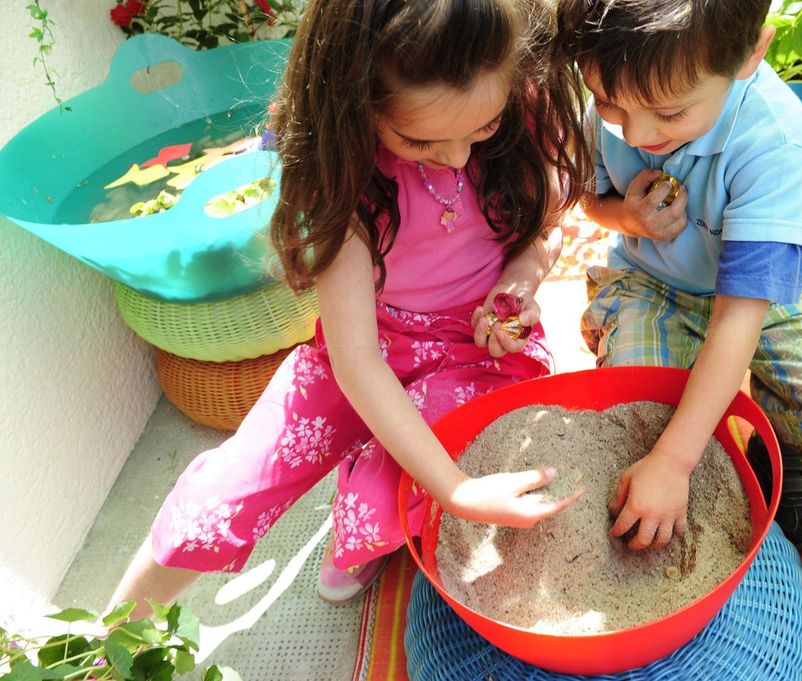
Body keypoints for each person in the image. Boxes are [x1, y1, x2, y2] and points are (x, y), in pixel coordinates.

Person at [110, 0, 589, 617]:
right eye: (420, 139)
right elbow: (356, 361)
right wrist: (458, 490)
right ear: (356, 101)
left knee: (427, 464)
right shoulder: (345, 174)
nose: (457, 159)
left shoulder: (521, 106)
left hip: (480, 350)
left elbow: (544, 230)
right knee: (229, 491)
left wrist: (521, 278)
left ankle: (376, 510)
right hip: (365, 344)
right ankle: (101, 641)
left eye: (482, 129)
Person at [555, 0, 802, 549]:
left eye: (671, 113)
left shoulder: (773, 143)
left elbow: (739, 315)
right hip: (654, 280)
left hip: (764, 300)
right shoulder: (628, 90)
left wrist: (676, 463)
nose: (634, 134)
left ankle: (781, 449)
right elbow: (590, 198)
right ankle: (682, 438)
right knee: (639, 412)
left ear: (751, 55)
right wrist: (626, 218)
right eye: (609, 103)